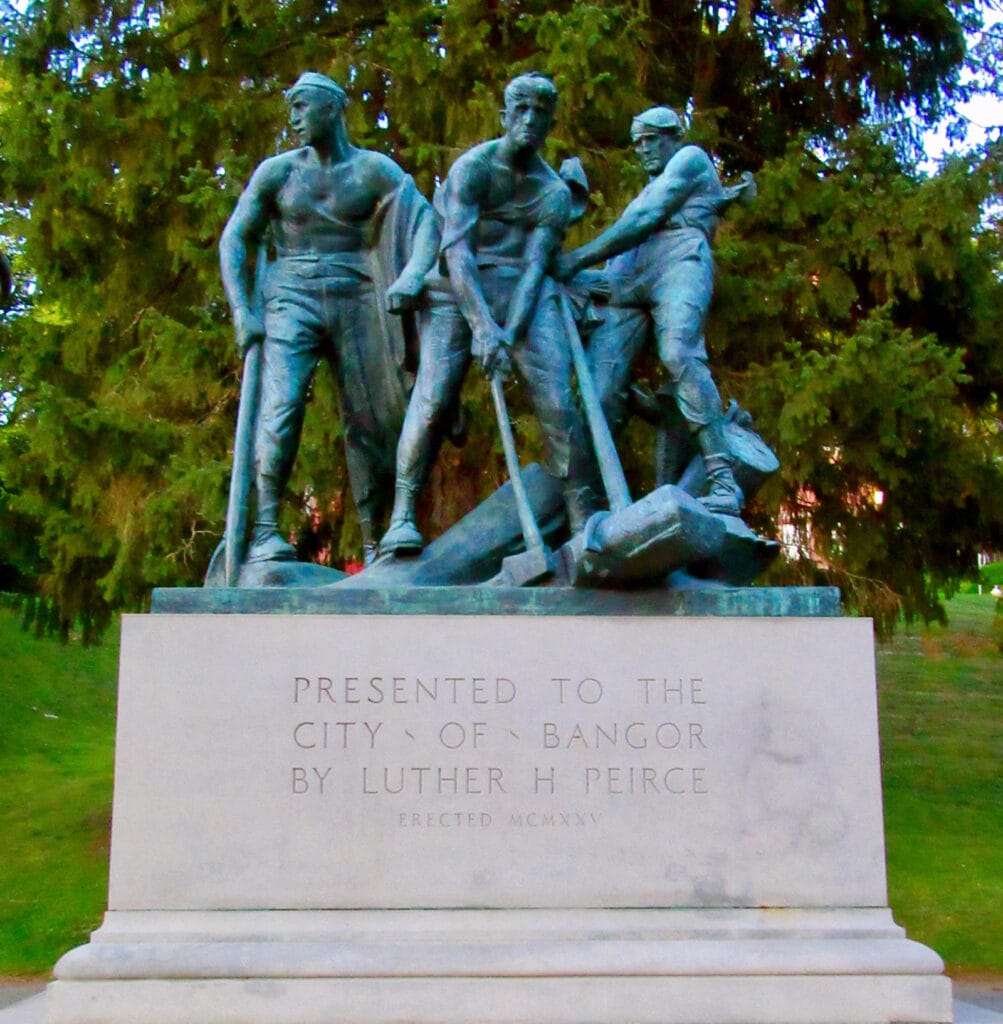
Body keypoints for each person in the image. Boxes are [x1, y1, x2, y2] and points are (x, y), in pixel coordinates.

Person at [220, 72, 438, 565]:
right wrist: (241, 312)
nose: (294, 118)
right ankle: (265, 530)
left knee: (369, 419)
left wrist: (413, 276)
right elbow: (236, 238)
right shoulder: (277, 173)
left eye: (302, 106)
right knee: (282, 408)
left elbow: (426, 223)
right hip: (290, 294)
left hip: (357, 293)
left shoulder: (374, 171)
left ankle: (373, 539)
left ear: (334, 109)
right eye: (291, 107)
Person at [380, 73, 597, 554]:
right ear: (504, 115)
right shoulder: (471, 170)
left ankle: (584, 518)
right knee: (434, 397)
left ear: (550, 122)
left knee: (559, 402)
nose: (530, 120)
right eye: (520, 109)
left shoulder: (554, 193)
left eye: (540, 112)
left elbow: (537, 267)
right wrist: (482, 328)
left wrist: (508, 333)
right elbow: (456, 255)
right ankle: (401, 515)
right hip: (456, 289)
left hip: (523, 291)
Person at [553, 106, 750, 515]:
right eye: (637, 142)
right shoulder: (647, 188)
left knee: (678, 353)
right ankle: (585, 504)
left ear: (673, 136)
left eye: (650, 139)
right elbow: (628, 242)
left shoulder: (690, 159)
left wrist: (579, 258)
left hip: (679, 259)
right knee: (598, 391)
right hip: (629, 274)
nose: (642, 149)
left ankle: (723, 480)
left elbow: (647, 216)